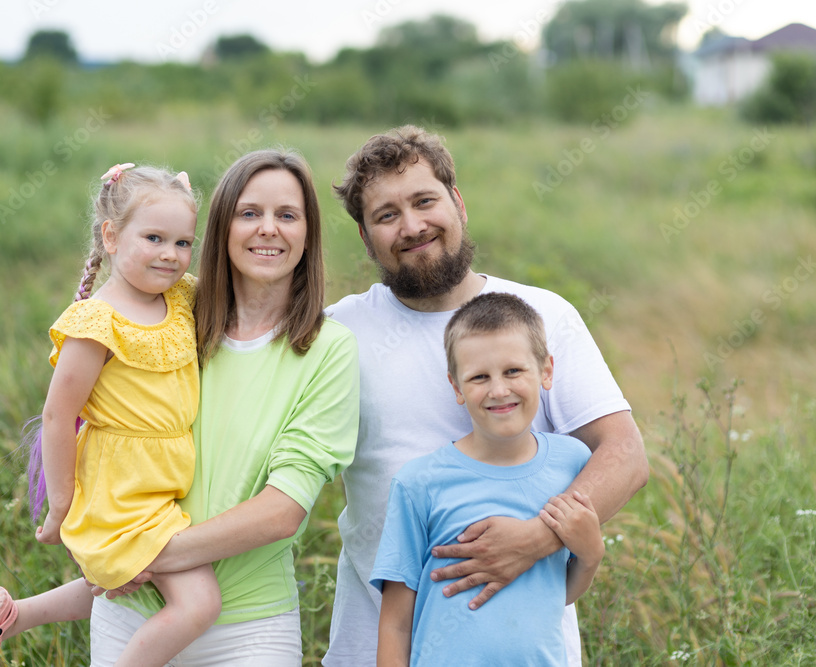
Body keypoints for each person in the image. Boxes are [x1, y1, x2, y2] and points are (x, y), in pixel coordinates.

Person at [323, 125, 648, 666]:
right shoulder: (338, 332)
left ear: (458, 202)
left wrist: (536, 538)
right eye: (386, 215)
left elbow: (625, 454)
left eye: (425, 201)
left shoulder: (541, 316)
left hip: (526, 646)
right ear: (364, 236)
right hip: (377, 643)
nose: (412, 226)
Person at [0, 163, 221, 667]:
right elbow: (57, 415)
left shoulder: (178, 298)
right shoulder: (97, 322)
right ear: (111, 236)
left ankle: (12, 615)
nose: (170, 255)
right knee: (198, 603)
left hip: (157, 483)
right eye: (154, 237)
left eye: (182, 243)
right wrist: (62, 505)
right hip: (121, 486)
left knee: (118, 581)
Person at [85, 149, 360, 666]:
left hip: (250, 629)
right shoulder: (168, 316)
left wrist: (144, 554)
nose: (268, 230)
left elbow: (282, 511)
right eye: (249, 213)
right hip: (132, 614)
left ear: (308, 233)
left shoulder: (329, 349)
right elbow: (99, 429)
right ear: (221, 225)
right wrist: (96, 539)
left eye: (287, 215)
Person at [372, 292, 605, 666]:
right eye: (479, 377)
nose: (499, 390)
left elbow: (556, 593)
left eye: (513, 371)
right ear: (456, 387)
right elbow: (396, 624)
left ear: (546, 371)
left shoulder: (572, 463)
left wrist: (591, 555)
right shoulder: (419, 482)